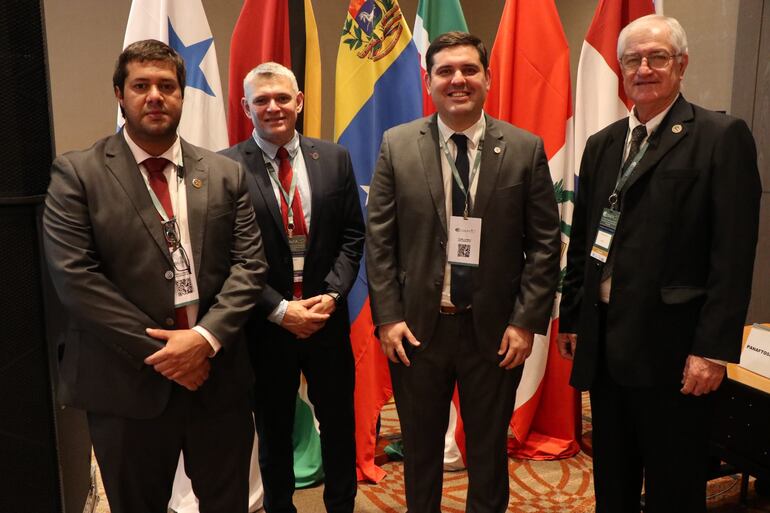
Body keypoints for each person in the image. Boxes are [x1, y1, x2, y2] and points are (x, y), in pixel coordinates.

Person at [42, 39, 267, 513]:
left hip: (217, 379)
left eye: (167, 86)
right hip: (126, 384)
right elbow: (76, 279)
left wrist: (204, 339)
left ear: (183, 95)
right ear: (120, 95)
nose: (155, 96)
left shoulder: (225, 174)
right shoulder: (77, 174)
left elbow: (250, 266)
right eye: (141, 85)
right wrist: (169, 353)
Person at [558, 14, 761, 513]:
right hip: (606, 346)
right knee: (614, 479)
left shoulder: (720, 136)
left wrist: (712, 351)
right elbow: (586, 237)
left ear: (681, 65)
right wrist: (573, 314)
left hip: (674, 352)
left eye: (658, 57)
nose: (643, 68)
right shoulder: (603, 143)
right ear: (622, 68)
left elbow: (732, 255)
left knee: (674, 485)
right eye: (633, 59)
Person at [366, 32, 561, 513]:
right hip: (417, 331)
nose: (458, 80)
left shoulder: (523, 148)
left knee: (489, 453)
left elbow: (543, 245)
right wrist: (388, 318)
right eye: (445, 71)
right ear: (428, 81)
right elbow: (380, 242)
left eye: (469, 70)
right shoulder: (397, 145)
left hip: (493, 331)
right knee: (421, 450)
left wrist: (524, 321)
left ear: (487, 79)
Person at [221, 62, 364, 513]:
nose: (273, 107)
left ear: (298, 101)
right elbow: (226, 254)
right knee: (274, 427)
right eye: (261, 100)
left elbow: (352, 236)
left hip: (326, 317)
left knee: (339, 425)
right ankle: (279, 506)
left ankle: (342, 504)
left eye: (282, 98)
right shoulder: (224, 167)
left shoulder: (334, 157)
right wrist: (279, 309)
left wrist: (333, 296)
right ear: (246, 107)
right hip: (266, 326)